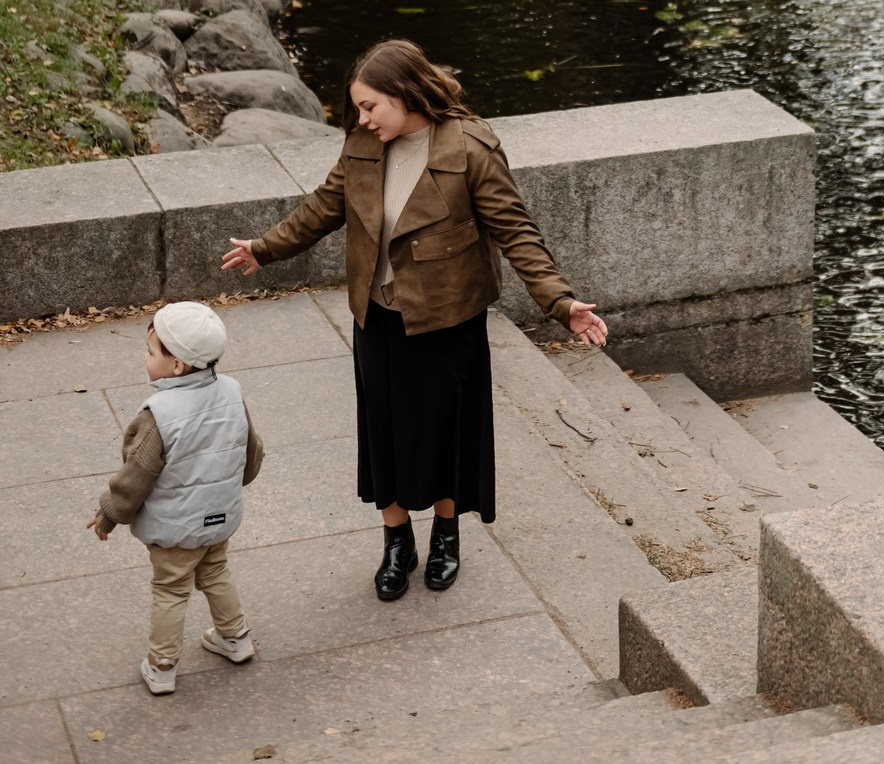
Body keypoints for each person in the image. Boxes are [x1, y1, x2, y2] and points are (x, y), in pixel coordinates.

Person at [222, 39, 607, 602]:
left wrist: (561, 303)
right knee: (383, 431)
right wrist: (264, 248)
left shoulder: (471, 148)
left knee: (445, 432)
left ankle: (446, 535)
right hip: (377, 316)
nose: (362, 118)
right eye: (358, 108)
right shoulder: (363, 143)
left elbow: (516, 232)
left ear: (404, 95)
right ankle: (396, 541)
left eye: (370, 106)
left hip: (447, 319)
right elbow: (323, 207)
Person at [86, 301, 264, 697]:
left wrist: (109, 513)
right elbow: (250, 451)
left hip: (175, 529)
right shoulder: (232, 392)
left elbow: (135, 476)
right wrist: (235, 483)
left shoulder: (159, 414)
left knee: (171, 590)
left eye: (151, 352)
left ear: (177, 366)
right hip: (220, 517)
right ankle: (236, 638)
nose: (145, 357)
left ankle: (162, 666)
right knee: (215, 572)